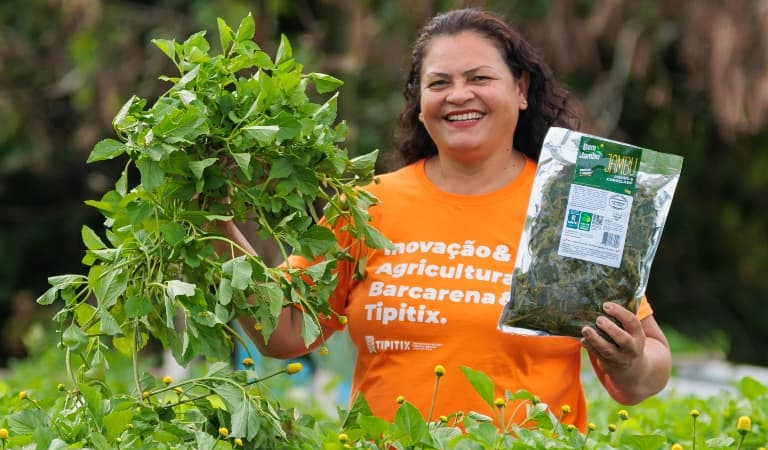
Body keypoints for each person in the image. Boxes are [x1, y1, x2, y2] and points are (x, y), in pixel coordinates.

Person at [221, 8, 671, 428]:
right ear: (419, 102)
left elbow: (644, 372)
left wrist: (630, 360)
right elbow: (285, 332)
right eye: (438, 83)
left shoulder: (570, 205)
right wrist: (212, 224)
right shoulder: (367, 205)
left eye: (479, 77)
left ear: (521, 90)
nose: (459, 95)